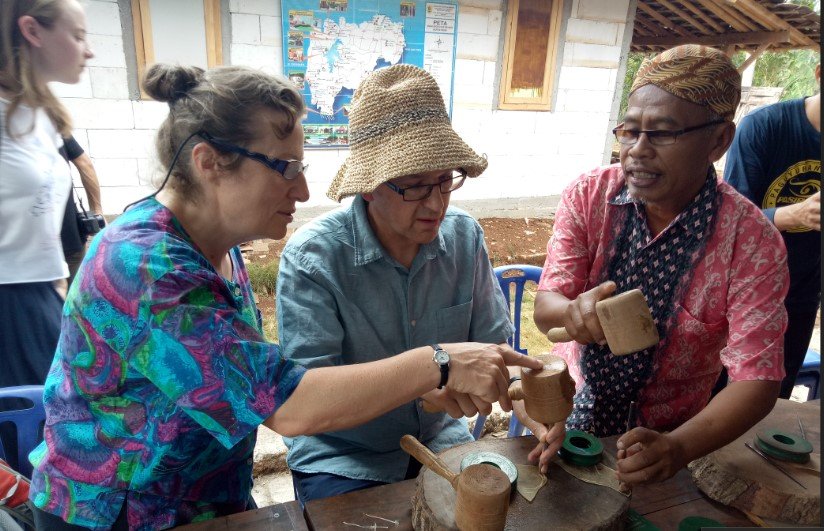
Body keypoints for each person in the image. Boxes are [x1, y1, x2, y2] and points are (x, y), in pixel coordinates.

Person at [27, 63, 542, 530]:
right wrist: (439, 362)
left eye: (302, 168)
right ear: (209, 162)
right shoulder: (144, 266)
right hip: (117, 513)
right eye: (286, 168)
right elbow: (287, 406)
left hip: (205, 500)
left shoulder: (218, 249)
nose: (300, 192)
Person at [531, 45, 789, 486]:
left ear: (719, 140)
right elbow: (546, 306)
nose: (637, 150)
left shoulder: (751, 241)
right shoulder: (590, 197)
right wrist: (573, 313)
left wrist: (679, 448)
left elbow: (757, 378)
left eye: (663, 133)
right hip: (565, 420)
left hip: (670, 441)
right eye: (629, 131)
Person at [275, 64, 528, 504]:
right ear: (369, 186)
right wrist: (426, 376)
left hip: (440, 440)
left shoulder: (464, 238)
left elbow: (495, 355)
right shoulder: (313, 258)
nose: (436, 203)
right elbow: (309, 399)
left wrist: (537, 410)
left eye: (445, 180)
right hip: (343, 455)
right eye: (414, 186)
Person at [0, 0, 93, 468]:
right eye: (77, 35)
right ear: (32, 30)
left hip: (44, 297)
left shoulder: (42, 115)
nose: (88, 50)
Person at [723, 64, 821, 400]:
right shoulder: (766, 126)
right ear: (820, 74)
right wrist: (795, 213)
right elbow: (729, 219)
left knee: (771, 400)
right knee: (716, 398)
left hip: (801, 295)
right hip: (740, 294)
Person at [59, 134, 103, 285]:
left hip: (20, 252)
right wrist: (97, 212)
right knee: (76, 298)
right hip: (68, 237)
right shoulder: (53, 121)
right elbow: (85, 164)